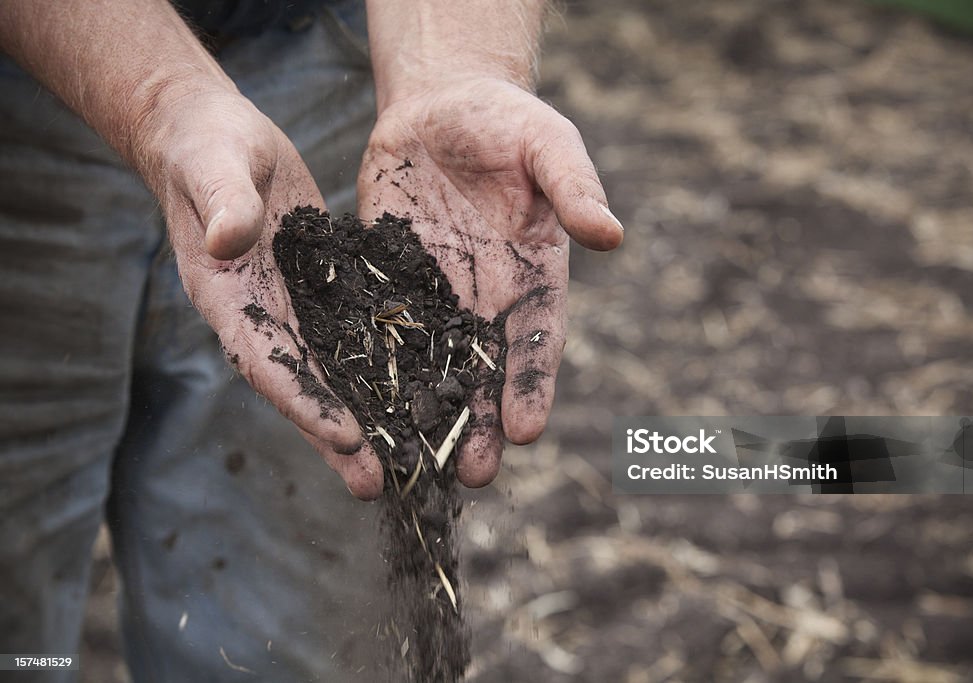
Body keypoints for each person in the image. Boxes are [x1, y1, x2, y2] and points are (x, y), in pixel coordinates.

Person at [0, 1, 623, 680]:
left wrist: (452, 66)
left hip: (319, 51)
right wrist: (163, 96)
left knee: (284, 619)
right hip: (20, 107)